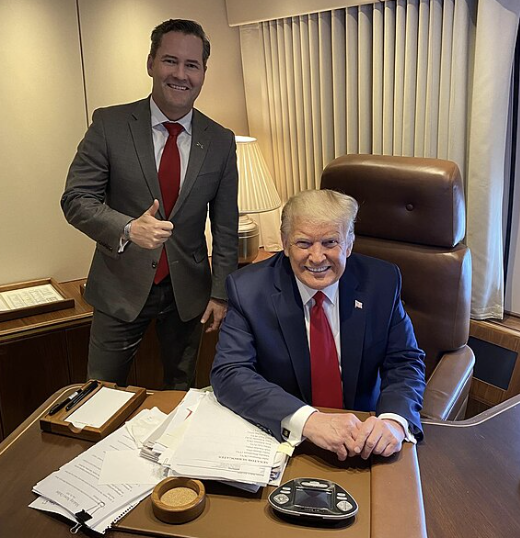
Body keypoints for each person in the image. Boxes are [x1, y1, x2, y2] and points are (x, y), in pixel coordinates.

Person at [61, 19, 238, 389]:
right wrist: (128, 228)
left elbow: (225, 227)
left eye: (192, 65)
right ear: (151, 64)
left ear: (203, 72)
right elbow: (76, 199)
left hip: (188, 295)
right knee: (100, 393)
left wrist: (221, 293)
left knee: (181, 393)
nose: (180, 74)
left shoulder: (220, 140)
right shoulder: (109, 124)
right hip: (120, 287)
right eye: (170, 61)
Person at [211, 189, 425, 460]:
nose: (316, 257)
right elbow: (229, 372)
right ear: (285, 243)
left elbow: (405, 361)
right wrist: (308, 420)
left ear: (348, 244)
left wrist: (394, 420)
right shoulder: (248, 289)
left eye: (329, 242)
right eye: (303, 243)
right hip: (287, 437)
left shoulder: (382, 282)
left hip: (364, 435)